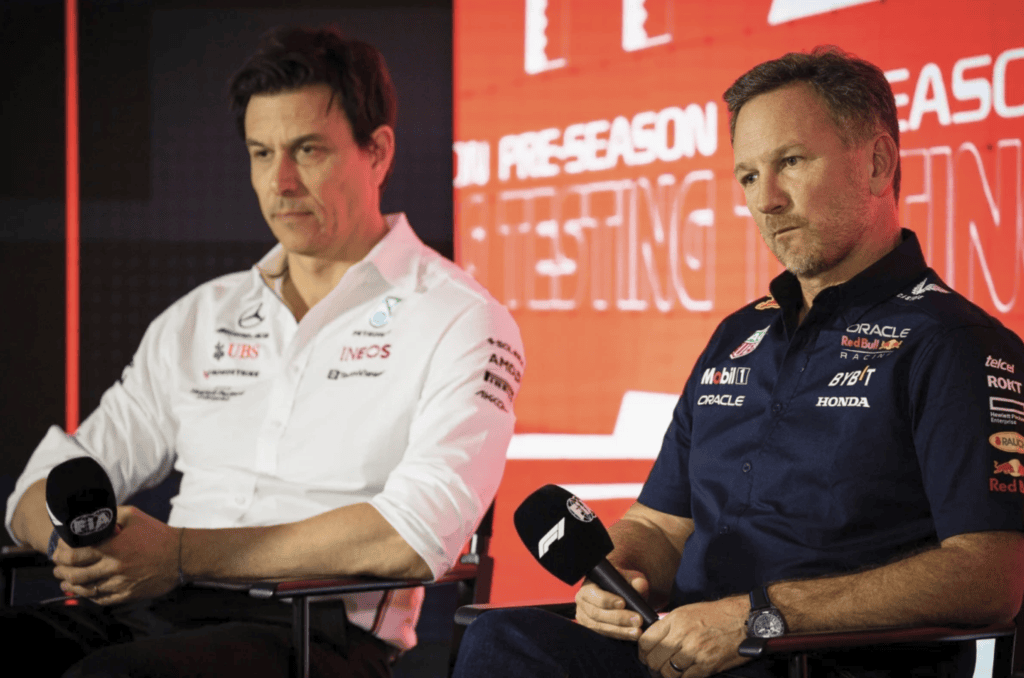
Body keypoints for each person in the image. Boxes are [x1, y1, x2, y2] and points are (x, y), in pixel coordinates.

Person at [451, 45, 1024, 678]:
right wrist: (624, 575)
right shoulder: (738, 334)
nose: (766, 200)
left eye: (791, 163)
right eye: (749, 176)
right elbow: (659, 525)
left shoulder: (954, 342)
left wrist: (761, 617)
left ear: (878, 163)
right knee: (505, 641)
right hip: (681, 653)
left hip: (816, 661)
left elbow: (989, 574)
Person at [4, 25, 523, 678]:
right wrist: (70, 546)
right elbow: (43, 483)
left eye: (307, 150)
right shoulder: (202, 314)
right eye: (259, 153)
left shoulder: (461, 317)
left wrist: (183, 552)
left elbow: (414, 536)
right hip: (148, 607)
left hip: (316, 634)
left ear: (378, 152)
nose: (279, 182)